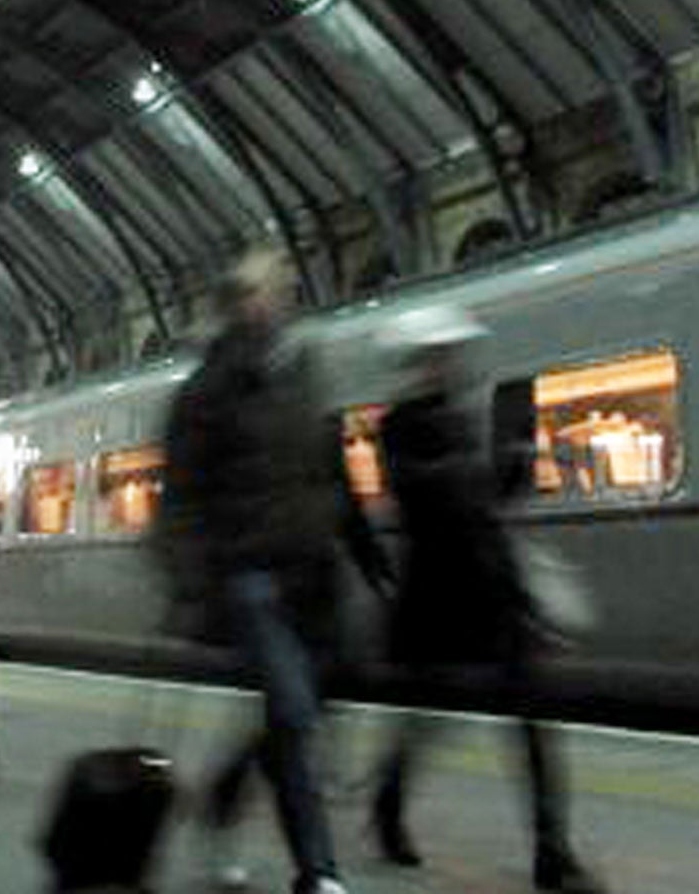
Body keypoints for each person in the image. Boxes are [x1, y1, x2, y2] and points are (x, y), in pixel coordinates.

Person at [162, 247, 389, 894]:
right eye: (270, 290)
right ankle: (317, 872)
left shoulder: (302, 372)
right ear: (240, 302)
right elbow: (181, 499)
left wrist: (368, 559)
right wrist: (192, 587)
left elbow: (332, 475)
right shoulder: (207, 389)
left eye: (285, 289)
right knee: (292, 714)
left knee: (303, 708)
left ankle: (224, 800)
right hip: (250, 575)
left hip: (314, 572)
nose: (282, 299)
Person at [368, 305, 604, 894]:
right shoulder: (396, 426)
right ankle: (387, 803)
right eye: (441, 356)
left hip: (492, 595)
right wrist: (472, 475)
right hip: (437, 599)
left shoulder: (463, 420)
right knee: (426, 722)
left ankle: (552, 854)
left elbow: (489, 520)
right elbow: (420, 499)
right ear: (421, 362)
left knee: (531, 719)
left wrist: (524, 601)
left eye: (452, 355)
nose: (451, 365)